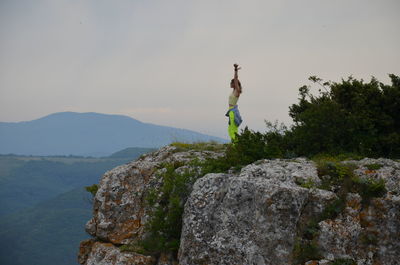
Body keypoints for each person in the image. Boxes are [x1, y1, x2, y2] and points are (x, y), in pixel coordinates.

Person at [226, 63, 243, 142]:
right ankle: (234, 144)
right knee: (230, 129)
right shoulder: (234, 91)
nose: (230, 84)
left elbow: (236, 79)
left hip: (233, 111)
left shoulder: (237, 91)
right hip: (231, 111)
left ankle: (235, 146)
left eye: (231, 82)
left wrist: (235, 70)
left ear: (235, 84)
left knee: (233, 130)